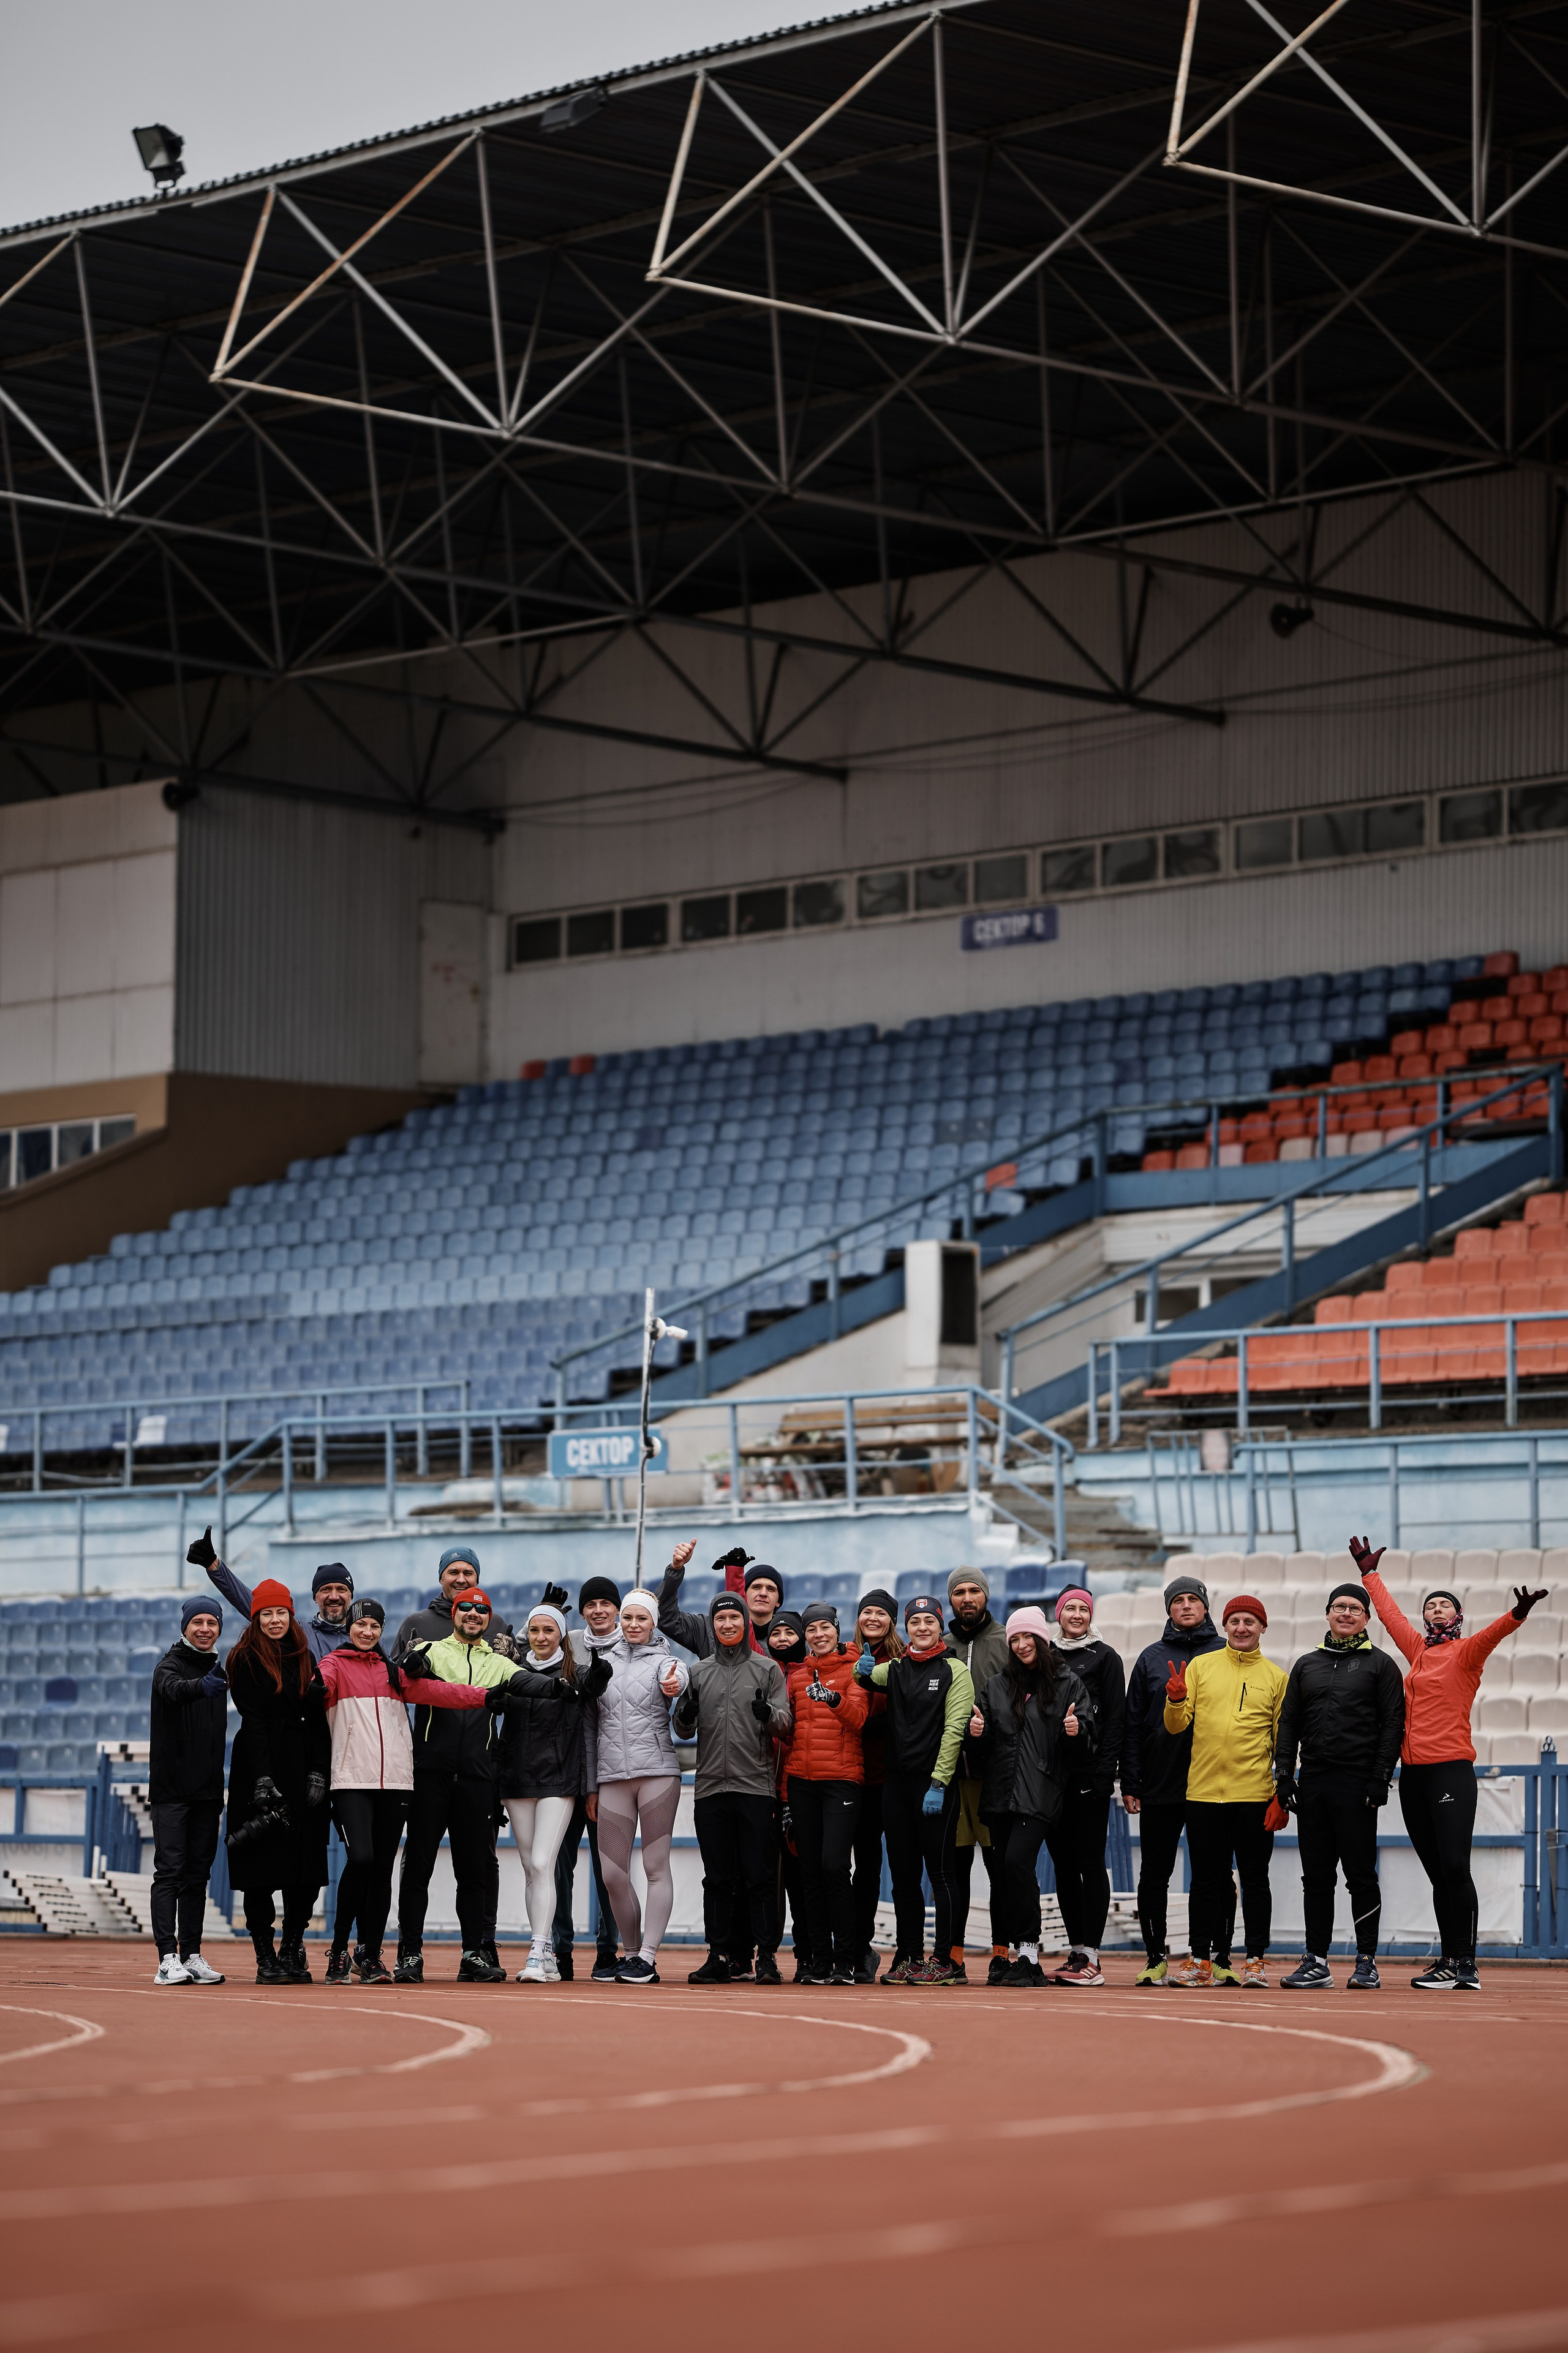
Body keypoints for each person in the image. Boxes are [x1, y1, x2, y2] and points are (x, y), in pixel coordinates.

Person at [1350, 1535, 1548, 1989]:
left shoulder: (1466, 1653)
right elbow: (1390, 1615)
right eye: (1431, 1605)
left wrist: (1517, 1614)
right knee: (1438, 1873)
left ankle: (1467, 1964)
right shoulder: (1418, 1652)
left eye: (1445, 1605)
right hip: (1414, 1775)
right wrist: (1369, 1573)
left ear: (1457, 1617)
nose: (1436, 1609)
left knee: (1455, 1867)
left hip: (1450, 1770)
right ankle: (1448, 1958)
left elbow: (1492, 1636)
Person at [315, 1598, 488, 1986]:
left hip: (396, 1782)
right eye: (361, 1625)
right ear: (350, 1628)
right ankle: (339, 1952)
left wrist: (485, 1697)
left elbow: (441, 1694)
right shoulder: (334, 1665)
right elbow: (317, 1689)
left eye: (375, 1626)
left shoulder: (393, 1672)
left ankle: (371, 1956)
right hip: (351, 1781)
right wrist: (312, 1688)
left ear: (382, 1631)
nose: (367, 1632)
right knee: (361, 1859)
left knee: (381, 1871)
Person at [394, 1588, 544, 1983]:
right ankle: (409, 1953)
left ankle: (473, 1954)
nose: (474, 1614)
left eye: (482, 1610)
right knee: (418, 1867)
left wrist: (572, 1689)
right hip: (430, 1774)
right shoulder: (430, 1648)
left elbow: (534, 1685)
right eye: (467, 1609)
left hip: (478, 1778)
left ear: (488, 1618)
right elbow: (403, 1675)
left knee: (473, 1872)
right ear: (455, 1613)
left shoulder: (498, 1662)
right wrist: (410, 1662)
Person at [1274, 1581, 1405, 1991]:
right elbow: (1289, 1722)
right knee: (1316, 1876)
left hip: (1357, 1783)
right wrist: (1284, 1774)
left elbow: (1392, 1726)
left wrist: (1380, 1776)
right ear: (1328, 1614)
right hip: (1313, 1781)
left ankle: (1366, 1961)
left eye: (1355, 1608)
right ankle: (1316, 1960)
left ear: (1366, 1617)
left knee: (1360, 1875)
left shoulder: (1381, 1664)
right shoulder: (1306, 1664)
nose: (1346, 1613)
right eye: (1339, 1607)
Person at [1162, 1593, 1290, 1990]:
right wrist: (1176, 1698)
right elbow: (1175, 1726)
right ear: (1225, 1625)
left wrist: (1280, 1794)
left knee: (1255, 1881)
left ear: (1262, 1628)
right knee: (1205, 1881)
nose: (1241, 1627)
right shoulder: (1201, 1666)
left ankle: (1255, 1960)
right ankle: (1200, 1960)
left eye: (1250, 1621)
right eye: (1234, 1620)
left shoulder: (1276, 1677)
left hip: (1254, 1796)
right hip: (1203, 1795)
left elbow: (1282, 1743)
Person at [968, 1606, 1094, 1988]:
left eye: (1029, 1638)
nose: (1022, 1645)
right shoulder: (997, 1685)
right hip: (999, 1794)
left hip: (1040, 1793)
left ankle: (1029, 1955)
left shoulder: (1066, 1683)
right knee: (1005, 1875)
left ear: (1042, 1639)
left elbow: (1088, 1747)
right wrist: (977, 1734)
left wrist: (1076, 1731)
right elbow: (984, 1748)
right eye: (1016, 1639)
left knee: (1016, 1864)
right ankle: (1015, 1956)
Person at [671, 1590, 793, 1985]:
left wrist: (769, 1714)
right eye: (720, 1619)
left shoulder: (767, 1669)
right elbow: (682, 1729)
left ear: (744, 1624)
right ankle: (720, 1954)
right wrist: (685, 1715)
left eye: (734, 1619)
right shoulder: (699, 1672)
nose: (727, 1625)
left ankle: (768, 1957)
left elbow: (786, 1725)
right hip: (710, 1789)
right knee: (719, 1878)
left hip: (756, 1788)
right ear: (713, 1624)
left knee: (760, 1876)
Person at [852, 1595, 974, 1986]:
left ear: (941, 1627)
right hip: (896, 1786)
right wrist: (861, 1668)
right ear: (906, 1628)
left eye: (930, 1622)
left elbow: (956, 1730)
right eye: (916, 1622)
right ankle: (908, 1957)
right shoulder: (898, 1668)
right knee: (904, 1877)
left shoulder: (956, 1670)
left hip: (934, 1785)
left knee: (941, 1874)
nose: (922, 1628)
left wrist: (939, 1783)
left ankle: (946, 1962)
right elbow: (865, 1678)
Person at [1120, 1571, 1232, 1987]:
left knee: (1218, 1873)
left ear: (1206, 1607)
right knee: (1155, 1874)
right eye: (1177, 1600)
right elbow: (1132, 1724)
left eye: (1193, 1599)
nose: (1186, 1605)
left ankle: (1218, 1956)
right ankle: (1155, 1957)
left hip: (1215, 1785)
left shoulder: (1227, 1651)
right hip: (1160, 1783)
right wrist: (1131, 1782)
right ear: (1168, 1608)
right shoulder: (1150, 1657)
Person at [224, 1580, 333, 1984]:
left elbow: (318, 1719)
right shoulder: (244, 1657)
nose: (274, 1620)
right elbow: (253, 1720)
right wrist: (263, 1777)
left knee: (306, 1868)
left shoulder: (306, 1655)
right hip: (258, 1768)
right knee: (260, 1869)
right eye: (266, 1613)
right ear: (256, 1617)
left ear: (290, 1614)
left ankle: (292, 1943)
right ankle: (264, 1954)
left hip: (303, 1766)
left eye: (281, 1613)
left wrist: (320, 1769)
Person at [498, 1600, 611, 1982]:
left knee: (545, 1863)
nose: (541, 1637)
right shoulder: (510, 1670)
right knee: (532, 1868)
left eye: (549, 1630)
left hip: (560, 1783)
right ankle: (545, 1955)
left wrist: (600, 1674)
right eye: (535, 1630)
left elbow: (593, 1686)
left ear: (562, 1636)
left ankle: (537, 1949)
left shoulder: (576, 1673)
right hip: (516, 1781)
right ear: (526, 1634)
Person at [586, 1587, 690, 1985]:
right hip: (612, 1778)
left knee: (653, 1866)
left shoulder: (669, 1662)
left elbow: (677, 1681)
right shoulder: (601, 1663)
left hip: (658, 1774)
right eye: (627, 1617)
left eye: (641, 1618)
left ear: (653, 1622)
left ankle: (647, 1955)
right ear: (618, 1620)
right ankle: (629, 1954)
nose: (633, 1624)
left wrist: (674, 1682)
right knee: (612, 1874)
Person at [781, 1602, 869, 1985]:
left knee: (835, 1867)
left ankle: (846, 1960)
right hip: (801, 1781)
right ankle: (820, 1961)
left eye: (825, 1628)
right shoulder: (797, 1676)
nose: (818, 1635)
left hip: (842, 1781)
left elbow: (860, 1718)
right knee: (810, 1872)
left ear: (837, 1630)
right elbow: (788, 1732)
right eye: (811, 1629)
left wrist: (834, 1700)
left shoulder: (855, 1669)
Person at [1045, 1585, 1127, 1988]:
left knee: (1089, 1863)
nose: (1076, 1614)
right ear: (1058, 1613)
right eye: (1069, 1608)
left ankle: (1092, 1955)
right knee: (1063, 1865)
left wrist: (1104, 1771)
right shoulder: (1043, 1654)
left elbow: (1115, 1720)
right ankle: (1076, 1949)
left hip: (1090, 1776)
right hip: (1051, 1779)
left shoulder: (1107, 1657)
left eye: (1083, 1608)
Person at [148, 1594, 230, 1985]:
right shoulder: (169, 1666)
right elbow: (174, 1690)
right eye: (197, 1622)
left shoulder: (217, 1668)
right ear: (185, 1627)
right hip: (172, 1791)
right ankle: (167, 1959)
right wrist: (202, 1687)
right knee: (170, 1873)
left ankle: (192, 1954)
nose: (204, 1629)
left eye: (211, 1623)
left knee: (198, 1877)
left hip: (208, 1792)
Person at [551, 1576, 624, 1983]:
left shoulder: (631, 1641)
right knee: (559, 1868)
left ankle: (607, 1951)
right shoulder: (569, 1641)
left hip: (610, 1774)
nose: (598, 1609)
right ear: (581, 1611)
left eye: (605, 1603)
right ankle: (561, 1951)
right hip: (563, 1774)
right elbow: (530, 1647)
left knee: (608, 1871)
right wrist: (549, 1614)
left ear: (616, 1608)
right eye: (591, 1604)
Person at [945, 1568, 1011, 1985]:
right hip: (952, 1775)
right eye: (959, 1591)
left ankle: (1002, 1954)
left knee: (999, 1866)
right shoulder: (941, 1644)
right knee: (954, 1870)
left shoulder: (1007, 1642)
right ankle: (953, 1956)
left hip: (997, 1776)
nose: (967, 1598)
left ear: (985, 1596)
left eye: (974, 1590)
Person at [187, 1527, 355, 1663]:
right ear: (315, 1597)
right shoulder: (301, 1633)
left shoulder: (365, 1636)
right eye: (325, 1590)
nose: (334, 1596)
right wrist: (214, 1566)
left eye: (341, 1589)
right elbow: (253, 1603)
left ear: (351, 1595)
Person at [849, 1590, 901, 1982]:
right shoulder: (849, 1655)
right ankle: (856, 1946)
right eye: (867, 1611)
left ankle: (908, 1950)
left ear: (892, 1620)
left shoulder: (903, 1661)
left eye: (881, 1613)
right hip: (853, 1777)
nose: (873, 1618)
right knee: (855, 1868)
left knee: (892, 1866)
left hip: (893, 1779)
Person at [763, 1607, 809, 1975]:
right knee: (765, 1878)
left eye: (789, 1633)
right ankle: (764, 1953)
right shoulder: (761, 1671)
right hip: (763, 1790)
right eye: (776, 1633)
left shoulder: (810, 1672)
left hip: (797, 1789)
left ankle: (807, 1951)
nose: (781, 1639)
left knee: (800, 1877)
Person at [390, 1547, 518, 1661]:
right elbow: (393, 1677)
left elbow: (522, 1677)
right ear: (441, 1578)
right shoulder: (416, 1624)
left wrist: (514, 1659)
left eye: (468, 1573)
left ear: (477, 1580)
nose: (461, 1580)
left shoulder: (495, 1623)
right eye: (453, 1573)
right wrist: (406, 1660)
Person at [657, 1541, 785, 1655]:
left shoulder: (788, 1636)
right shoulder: (707, 1629)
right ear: (744, 1593)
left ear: (779, 1601)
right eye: (756, 1587)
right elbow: (664, 1616)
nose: (763, 1593)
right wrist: (675, 1570)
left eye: (771, 1589)